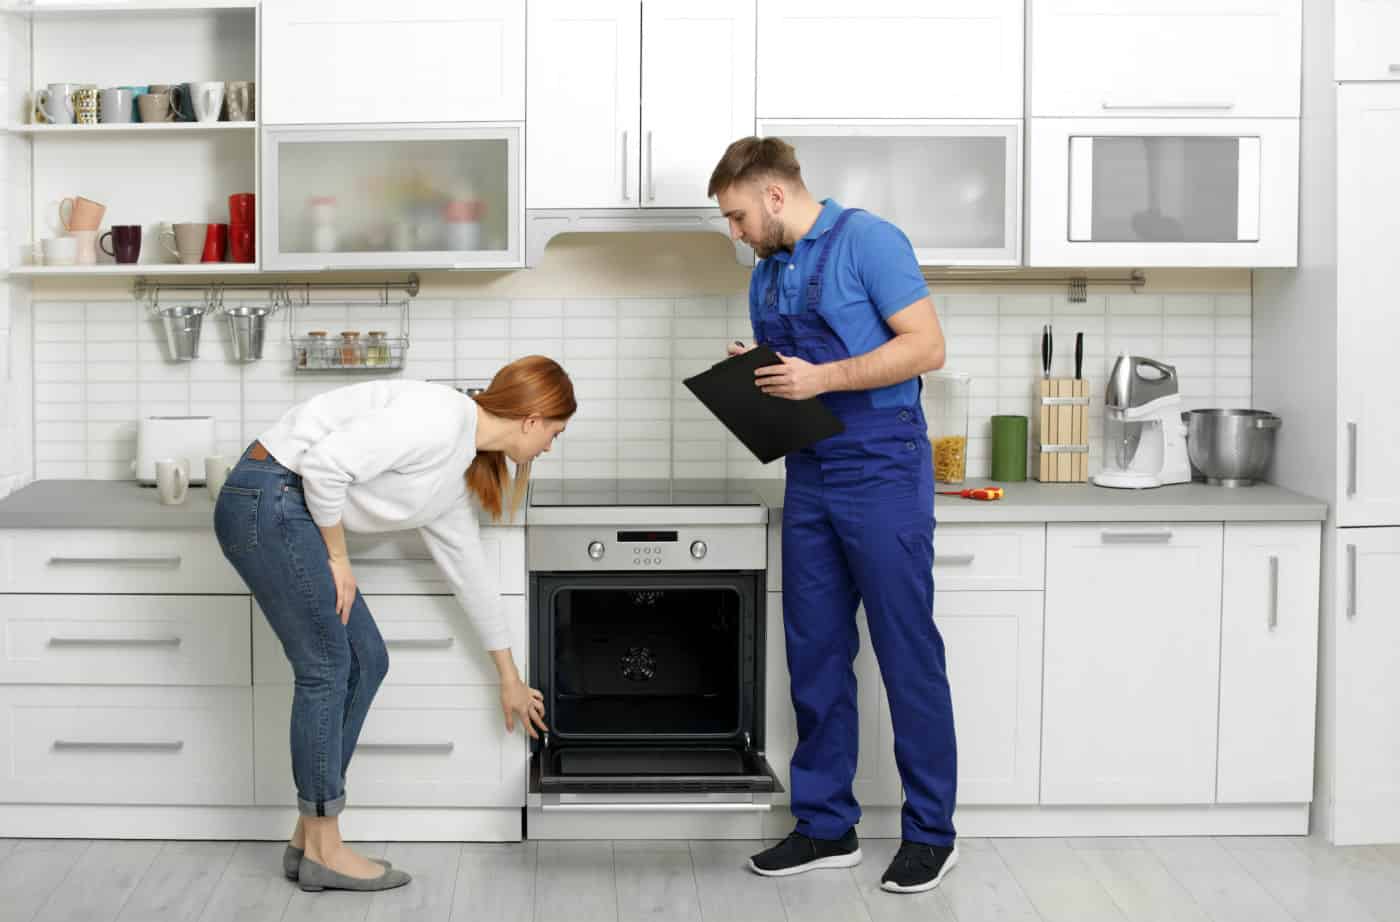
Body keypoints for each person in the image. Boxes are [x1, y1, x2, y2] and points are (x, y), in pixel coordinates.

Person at [213, 356, 575, 893]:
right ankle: (326, 849)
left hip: (286, 503)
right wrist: (339, 559)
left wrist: (510, 677)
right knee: (328, 666)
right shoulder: (439, 418)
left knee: (367, 660)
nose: (550, 446)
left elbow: (469, 573)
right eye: (554, 432)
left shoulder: (454, 471)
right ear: (531, 417)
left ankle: (308, 840)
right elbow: (326, 466)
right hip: (268, 495)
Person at [709, 137, 957, 894]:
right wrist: (757, 368)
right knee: (814, 652)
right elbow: (804, 375)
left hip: (882, 467)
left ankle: (930, 834)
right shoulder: (771, 268)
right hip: (810, 468)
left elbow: (927, 347)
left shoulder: (871, 242)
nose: (737, 233)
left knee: (905, 652)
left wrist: (822, 375)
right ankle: (825, 825)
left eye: (739, 216)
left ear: (776, 198)